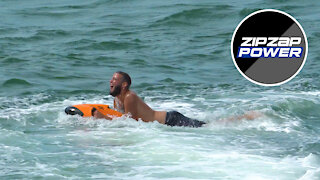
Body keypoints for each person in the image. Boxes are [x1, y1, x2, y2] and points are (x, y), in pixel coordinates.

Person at [92, 71, 206, 127]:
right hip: (166, 122)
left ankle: (222, 122)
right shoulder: (117, 100)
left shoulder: (129, 96)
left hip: (170, 120)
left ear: (124, 85)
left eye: (114, 79)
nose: (110, 81)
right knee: (203, 126)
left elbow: (130, 122)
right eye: (111, 79)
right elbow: (121, 119)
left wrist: (104, 118)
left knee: (205, 127)